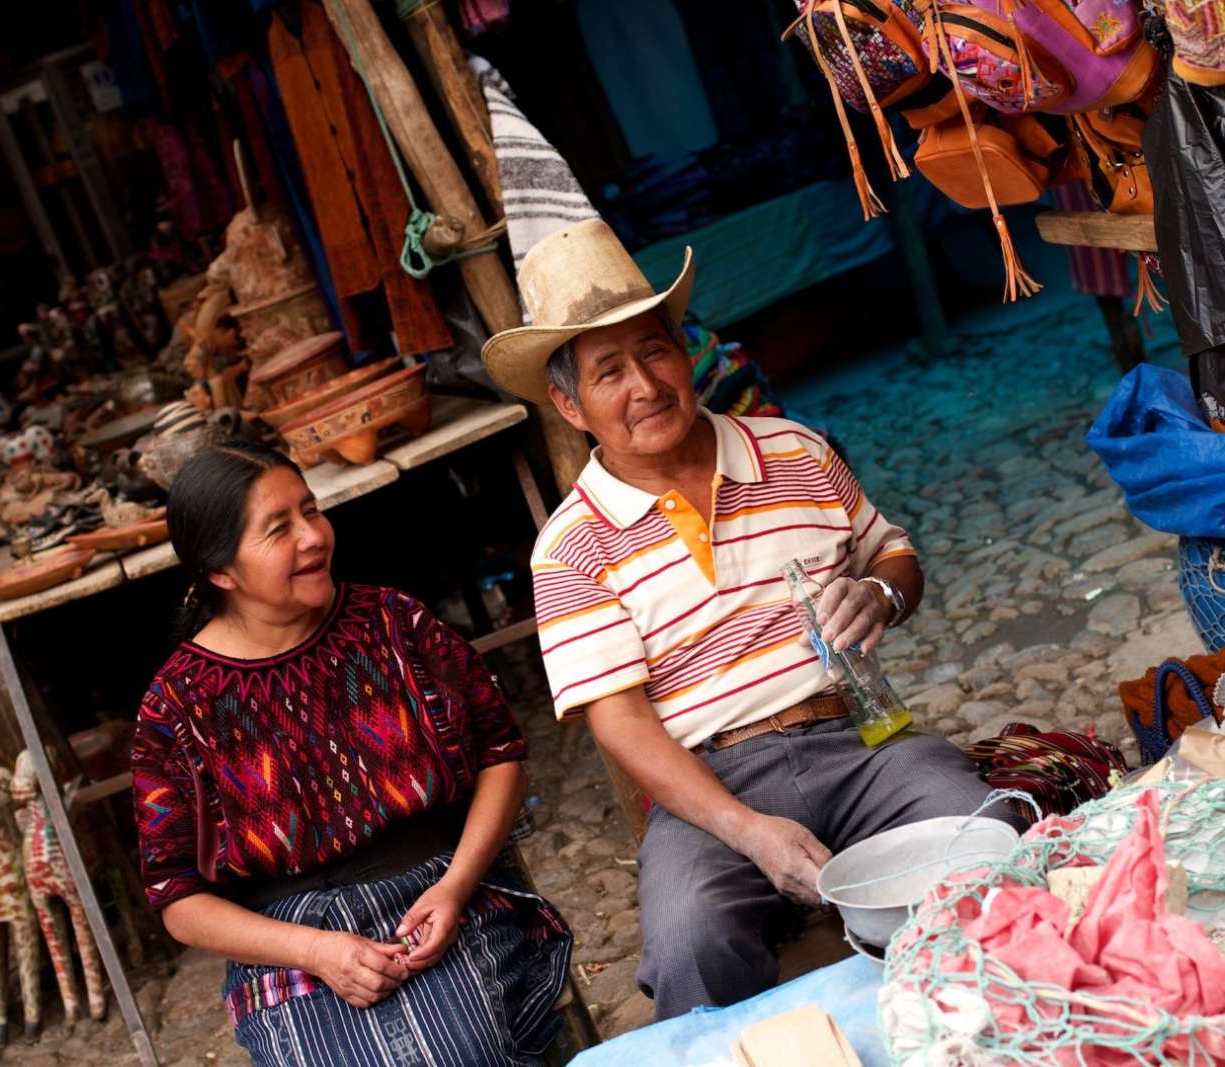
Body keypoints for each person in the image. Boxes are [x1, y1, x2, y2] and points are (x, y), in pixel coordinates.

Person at [482, 219, 1009, 1020]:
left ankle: (1003, 1027)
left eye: (655, 350)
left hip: (858, 744)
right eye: (609, 371)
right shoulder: (569, 546)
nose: (645, 386)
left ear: (686, 351)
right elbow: (619, 722)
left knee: (985, 830)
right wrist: (748, 829)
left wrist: (881, 595)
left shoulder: (793, 450)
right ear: (570, 404)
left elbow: (894, 554)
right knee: (694, 936)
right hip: (710, 782)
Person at [131, 442, 572, 1066]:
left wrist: (455, 886)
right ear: (220, 572)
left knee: (461, 1050)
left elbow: (501, 753)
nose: (313, 536)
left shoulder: (394, 626)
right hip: (288, 941)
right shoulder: (176, 706)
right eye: (279, 528)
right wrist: (318, 952)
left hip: (437, 893)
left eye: (311, 510)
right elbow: (177, 898)